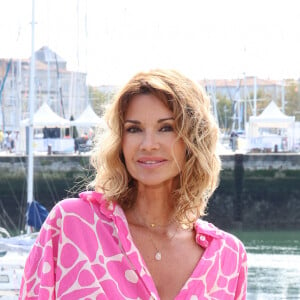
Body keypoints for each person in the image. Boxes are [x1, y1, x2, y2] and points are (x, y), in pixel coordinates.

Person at [19, 69, 247, 299]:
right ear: (120, 141)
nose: (148, 144)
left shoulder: (227, 257)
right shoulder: (71, 225)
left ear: (193, 140)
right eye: (134, 129)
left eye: (166, 127)